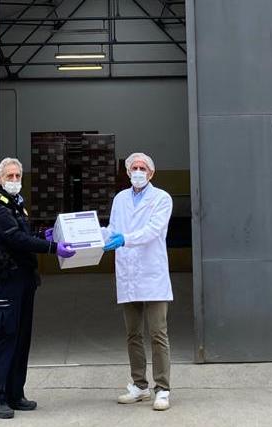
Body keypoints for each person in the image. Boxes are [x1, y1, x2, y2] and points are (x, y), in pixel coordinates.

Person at [0, 157, 76, 419]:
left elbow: (24, 235)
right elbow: (14, 238)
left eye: (17, 176)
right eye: (9, 176)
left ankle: (15, 394)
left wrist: (43, 235)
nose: (14, 180)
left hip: (24, 280)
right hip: (7, 281)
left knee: (21, 338)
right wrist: (52, 247)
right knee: (4, 337)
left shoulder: (16, 204)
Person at [103, 152, 173, 411]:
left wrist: (125, 239)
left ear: (151, 173)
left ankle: (162, 388)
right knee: (133, 333)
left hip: (152, 273)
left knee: (158, 333)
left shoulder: (162, 198)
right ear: (127, 171)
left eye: (143, 168)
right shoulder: (120, 199)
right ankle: (140, 385)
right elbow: (112, 229)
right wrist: (84, 236)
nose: (138, 172)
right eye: (134, 167)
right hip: (129, 273)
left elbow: (153, 230)